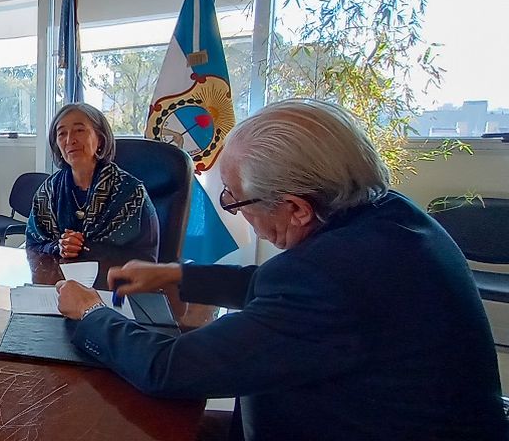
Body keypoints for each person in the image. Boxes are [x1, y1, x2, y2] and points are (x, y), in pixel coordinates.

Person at [56, 99, 507, 441]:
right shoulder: (387, 216)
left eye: (235, 199)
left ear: (296, 209)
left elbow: (168, 369)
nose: (233, 207)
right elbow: (274, 285)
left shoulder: (330, 279)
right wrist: (175, 275)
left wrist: (92, 312)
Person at [26, 102, 159, 261]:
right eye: (62, 134)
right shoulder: (48, 192)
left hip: (113, 276)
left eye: (79, 130)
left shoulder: (131, 192)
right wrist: (59, 247)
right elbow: (33, 246)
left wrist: (86, 250)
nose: (70, 140)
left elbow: (146, 258)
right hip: (57, 275)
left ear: (100, 139)